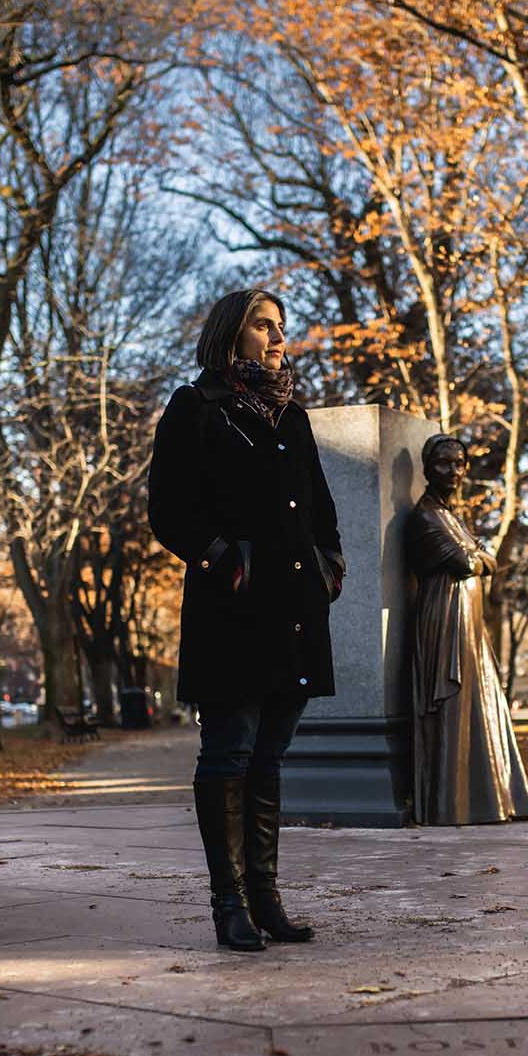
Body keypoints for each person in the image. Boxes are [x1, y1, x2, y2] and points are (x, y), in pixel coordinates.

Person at [148, 289, 343, 952]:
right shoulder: (195, 407)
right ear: (233, 333)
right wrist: (226, 561)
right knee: (228, 752)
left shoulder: (293, 415)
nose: (278, 335)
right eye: (264, 324)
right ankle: (228, 902)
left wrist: (330, 567)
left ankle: (268, 898)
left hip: (294, 613)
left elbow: (321, 508)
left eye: (282, 325)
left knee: (270, 755)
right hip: (230, 613)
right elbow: (169, 511)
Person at [406, 433, 528, 826]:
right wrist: (476, 555)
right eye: (444, 463)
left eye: (459, 464)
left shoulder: (454, 517)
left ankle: (486, 796)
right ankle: (452, 801)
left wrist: (477, 555)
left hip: (469, 619)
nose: (454, 471)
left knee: (482, 702)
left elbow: (488, 560)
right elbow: (468, 563)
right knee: (454, 705)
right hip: (445, 617)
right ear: (427, 468)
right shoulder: (424, 516)